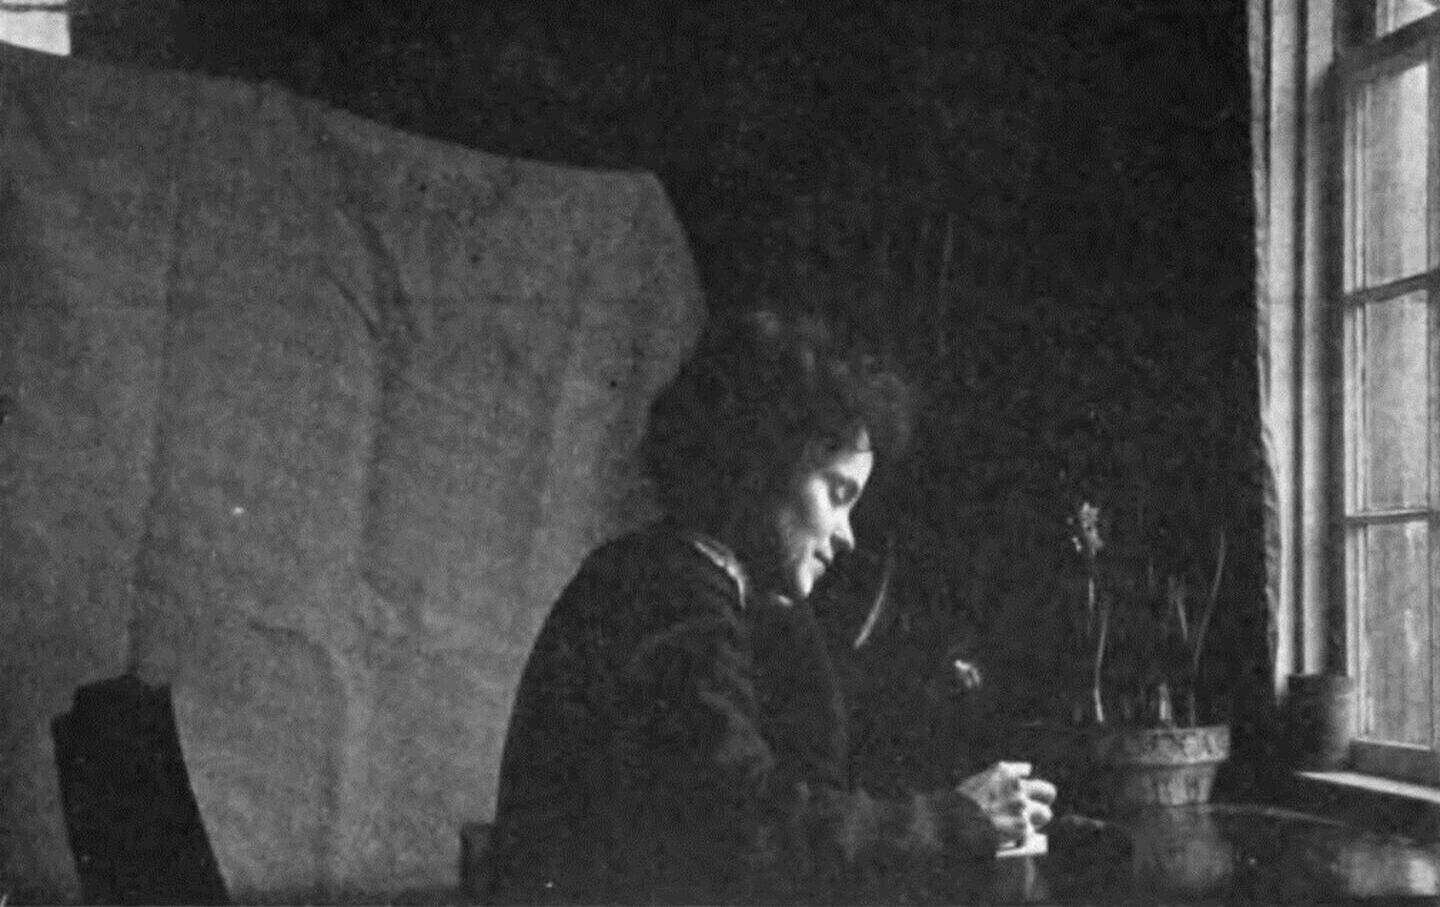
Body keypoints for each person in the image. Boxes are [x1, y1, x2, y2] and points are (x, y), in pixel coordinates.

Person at [490, 310, 1056, 903]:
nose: (846, 535)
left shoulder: (710, 592)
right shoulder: (665, 593)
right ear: (765, 465)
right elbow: (748, 832)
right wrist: (953, 821)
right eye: (838, 495)